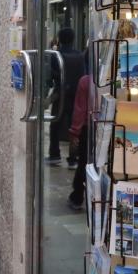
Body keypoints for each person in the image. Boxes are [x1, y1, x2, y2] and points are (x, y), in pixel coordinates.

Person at [46, 27, 85, 169]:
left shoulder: (56, 55)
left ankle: (54, 155)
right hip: (77, 96)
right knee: (74, 127)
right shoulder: (80, 56)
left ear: (59, 39)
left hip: (60, 95)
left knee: (55, 125)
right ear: (73, 39)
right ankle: (73, 159)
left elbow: (50, 77)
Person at [67, 49, 91, 211]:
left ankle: (77, 197)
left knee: (83, 163)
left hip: (87, 130)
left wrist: (74, 132)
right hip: (105, 128)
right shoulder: (110, 82)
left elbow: (80, 111)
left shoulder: (85, 82)